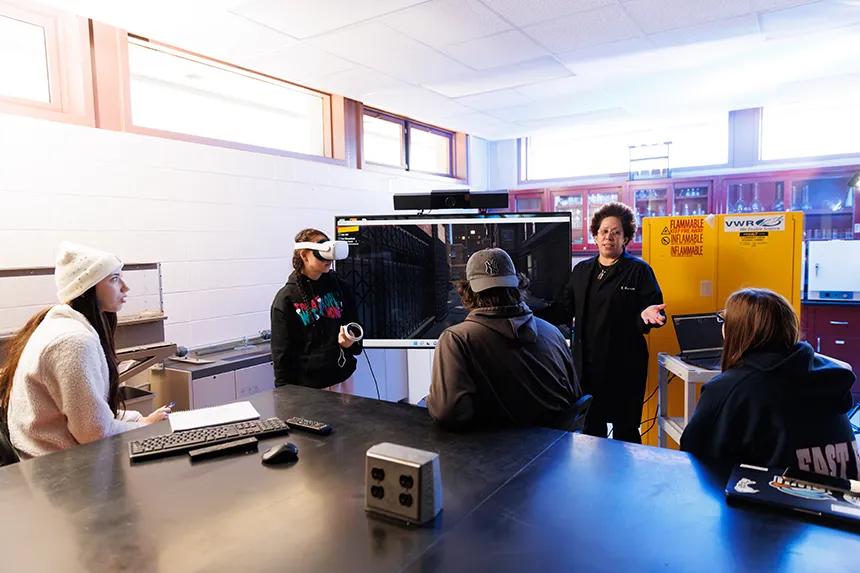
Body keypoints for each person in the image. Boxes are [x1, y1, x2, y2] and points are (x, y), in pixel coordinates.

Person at [0, 242, 171, 459]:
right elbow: (94, 433)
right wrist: (147, 426)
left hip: (55, 462)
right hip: (58, 471)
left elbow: (90, 416)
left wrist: (139, 419)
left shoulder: (62, 326)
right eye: (114, 279)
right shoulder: (73, 342)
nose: (125, 287)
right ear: (87, 288)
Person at [680, 288, 859, 479]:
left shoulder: (729, 389)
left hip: (771, 504)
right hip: (839, 503)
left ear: (736, 330)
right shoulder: (829, 376)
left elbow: (695, 461)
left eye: (724, 320)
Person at [536, 202, 665, 443]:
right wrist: (531, 317)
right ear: (595, 236)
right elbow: (564, 310)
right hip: (586, 367)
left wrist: (647, 316)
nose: (609, 237)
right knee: (590, 432)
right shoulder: (582, 271)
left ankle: (626, 480)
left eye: (616, 232)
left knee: (625, 432)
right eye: (604, 231)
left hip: (625, 367)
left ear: (625, 238)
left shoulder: (639, 271)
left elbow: (654, 310)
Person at [427, 248, 582, 430]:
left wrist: (431, 399)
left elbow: (448, 413)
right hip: (557, 452)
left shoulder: (457, 339)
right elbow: (576, 398)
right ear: (517, 286)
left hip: (499, 454)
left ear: (467, 290)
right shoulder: (553, 332)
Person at [270, 228, 362, 393]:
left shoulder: (341, 287)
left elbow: (356, 329)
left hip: (343, 380)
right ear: (304, 256)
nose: (328, 260)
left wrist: (350, 342)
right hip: (309, 390)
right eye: (321, 253)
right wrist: (284, 396)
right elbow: (281, 356)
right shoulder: (286, 299)